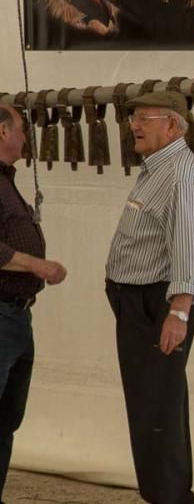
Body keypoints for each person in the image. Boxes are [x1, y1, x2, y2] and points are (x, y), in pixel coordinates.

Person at [105, 91, 194, 504]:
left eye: (144, 119)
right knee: (147, 406)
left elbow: (188, 248)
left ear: (172, 124)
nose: (134, 125)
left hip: (159, 306)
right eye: (134, 118)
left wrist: (179, 313)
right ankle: (160, 494)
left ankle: (169, 497)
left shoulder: (181, 175)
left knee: (159, 409)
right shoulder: (157, 169)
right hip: (139, 304)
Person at [0, 104, 67, 499]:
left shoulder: (8, 181)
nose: (27, 137)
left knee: (6, 419)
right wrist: (36, 265)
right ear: (3, 132)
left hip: (16, 318)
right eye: (22, 129)